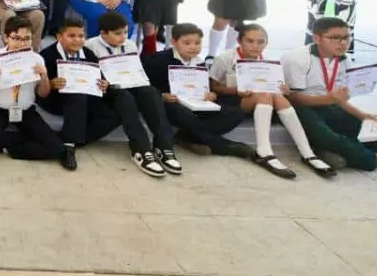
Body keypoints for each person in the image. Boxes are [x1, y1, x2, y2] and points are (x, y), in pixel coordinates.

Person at [282, 17, 377, 177]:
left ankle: (337, 150)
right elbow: (294, 98)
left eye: (347, 37)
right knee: (327, 136)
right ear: (317, 38)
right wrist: (331, 100)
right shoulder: (297, 58)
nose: (343, 43)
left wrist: (363, 115)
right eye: (335, 38)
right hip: (304, 108)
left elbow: (339, 98)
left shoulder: (345, 60)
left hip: (331, 106)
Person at [208, 23, 336, 179]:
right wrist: (236, 90)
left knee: (275, 95)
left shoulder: (269, 61)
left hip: (264, 103)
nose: (256, 46)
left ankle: (307, 152)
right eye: (250, 41)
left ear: (266, 43)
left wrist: (282, 88)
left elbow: (275, 86)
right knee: (266, 95)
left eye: (261, 42)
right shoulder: (225, 58)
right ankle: (265, 150)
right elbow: (213, 87)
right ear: (240, 41)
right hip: (233, 101)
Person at [84, 12, 180, 177]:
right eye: (117, 33)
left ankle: (164, 146)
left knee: (150, 92)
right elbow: (89, 74)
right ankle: (141, 149)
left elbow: (137, 70)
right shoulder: (89, 46)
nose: (123, 37)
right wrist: (104, 81)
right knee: (124, 98)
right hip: (107, 90)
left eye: (125, 32)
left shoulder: (130, 46)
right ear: (103, 33)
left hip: (128, 83)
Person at [143, 23, 253, 160]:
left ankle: (187, 136)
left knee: (235, 113)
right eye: (187, 43)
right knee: (182, 112)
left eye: (197, 43)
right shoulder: (157, 60)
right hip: (170, 103)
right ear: (174, 42)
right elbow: (144, 85)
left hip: (197, 103)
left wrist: (210, 95)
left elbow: (205, 86)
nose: (193, 47)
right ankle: (221, 145)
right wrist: (162, 95)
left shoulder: (200, 63)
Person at [0, 16, 65, 163]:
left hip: (25, 109)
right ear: (6, 37)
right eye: (16, 38)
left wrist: (44, 77)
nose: (21, 43)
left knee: (56, 148)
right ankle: (4, 142)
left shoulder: (36, 59)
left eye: (27, 39)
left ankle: (6, 148)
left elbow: (43, 93)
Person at [38, 18, 121, 171]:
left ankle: (65, 140)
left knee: (114, 116)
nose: (77, 40)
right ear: (59, 37)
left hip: (85, 97)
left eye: (81, 36)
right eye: (72, 36)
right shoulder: (46, 55)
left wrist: (104, 84)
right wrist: (51, 84)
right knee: (77, 96)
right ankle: (68, 147)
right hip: (55, 99)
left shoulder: (88, 54)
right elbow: (38, 91)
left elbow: (100, 77)